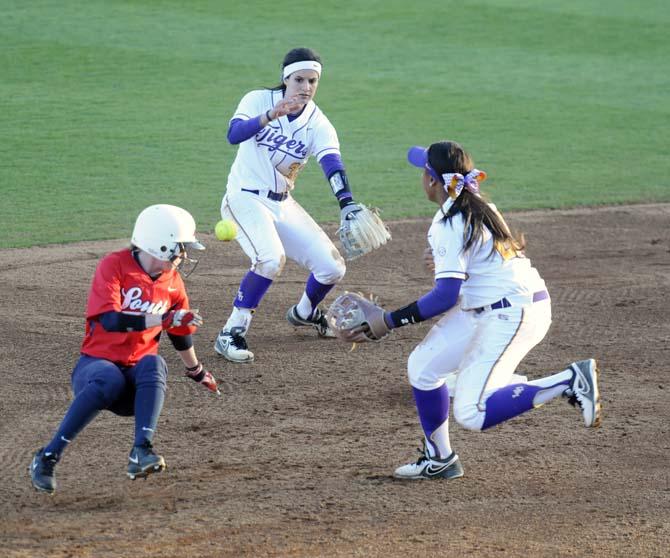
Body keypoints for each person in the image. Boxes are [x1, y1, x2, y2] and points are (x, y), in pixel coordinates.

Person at [369, 141, 601, 480]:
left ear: (432, 181)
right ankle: (440, 458)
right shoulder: (477, 204)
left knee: (473, 412)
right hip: (495, 305)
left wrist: (389, 321)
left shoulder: (449, 222)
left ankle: (568, 380)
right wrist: (445, 265)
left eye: (423, 171)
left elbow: (445, 297)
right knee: (422, 366)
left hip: (512, 314)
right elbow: (473, 270)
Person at [29, 205, 220, 494]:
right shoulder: (114, 265)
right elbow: (111, 319)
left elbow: (179, 333)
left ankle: (141, 450)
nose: (184, 255)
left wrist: (196, 371)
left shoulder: (174, 282)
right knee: (109, 377)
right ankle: (47, 457)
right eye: (180, 248)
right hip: (95, 370)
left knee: (154, 364)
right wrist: (164, 318)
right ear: (162, 244)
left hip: (136, 386)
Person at [214, 47, 366, 363]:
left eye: (313, 81)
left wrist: (346, 201)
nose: (306, 87)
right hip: (244, 197)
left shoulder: (318, 124)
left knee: (332, 267)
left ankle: (305, 313)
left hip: (283, 204)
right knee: (270, 260)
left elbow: (331, 163)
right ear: (286, 78)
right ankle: (231, 332)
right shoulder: (257, 100)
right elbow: (233, 134)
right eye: (299, 79)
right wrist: (271, 114)